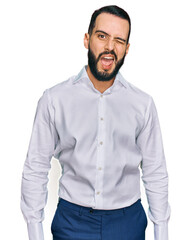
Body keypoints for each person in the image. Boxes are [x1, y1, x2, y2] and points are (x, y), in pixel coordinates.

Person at [20, 5, 170, 240]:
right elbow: (36, 167)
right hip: (72, 222)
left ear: (127, 49)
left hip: (127, 223)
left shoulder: (143, 104)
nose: (110, 47)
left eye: (119, 40)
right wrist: (34, 232)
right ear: (87, 39)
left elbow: (155, 171)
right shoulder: (54, 99)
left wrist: (162, 232)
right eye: (102, 36)